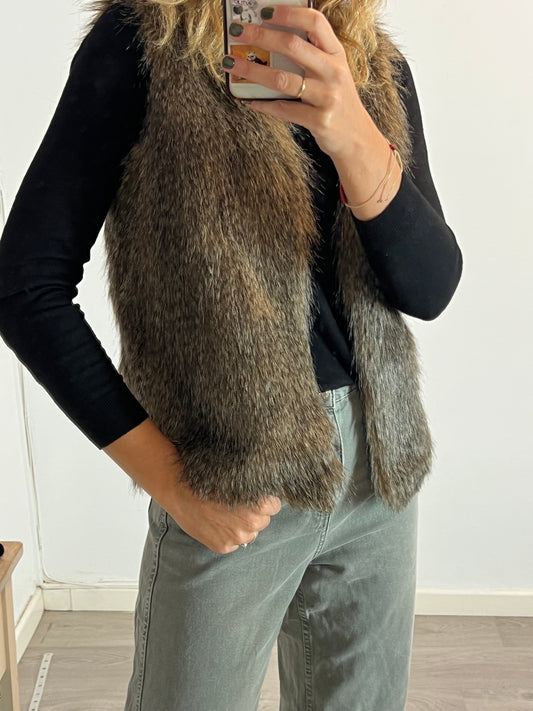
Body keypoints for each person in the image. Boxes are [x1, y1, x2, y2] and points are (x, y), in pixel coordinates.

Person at [0, 0, 462, 709]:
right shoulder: (142, 46)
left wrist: (352, 133)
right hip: (230, 472)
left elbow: (429, 289)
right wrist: (170, 482)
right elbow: (24, 286)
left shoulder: (370, 62)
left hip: (377, 472)